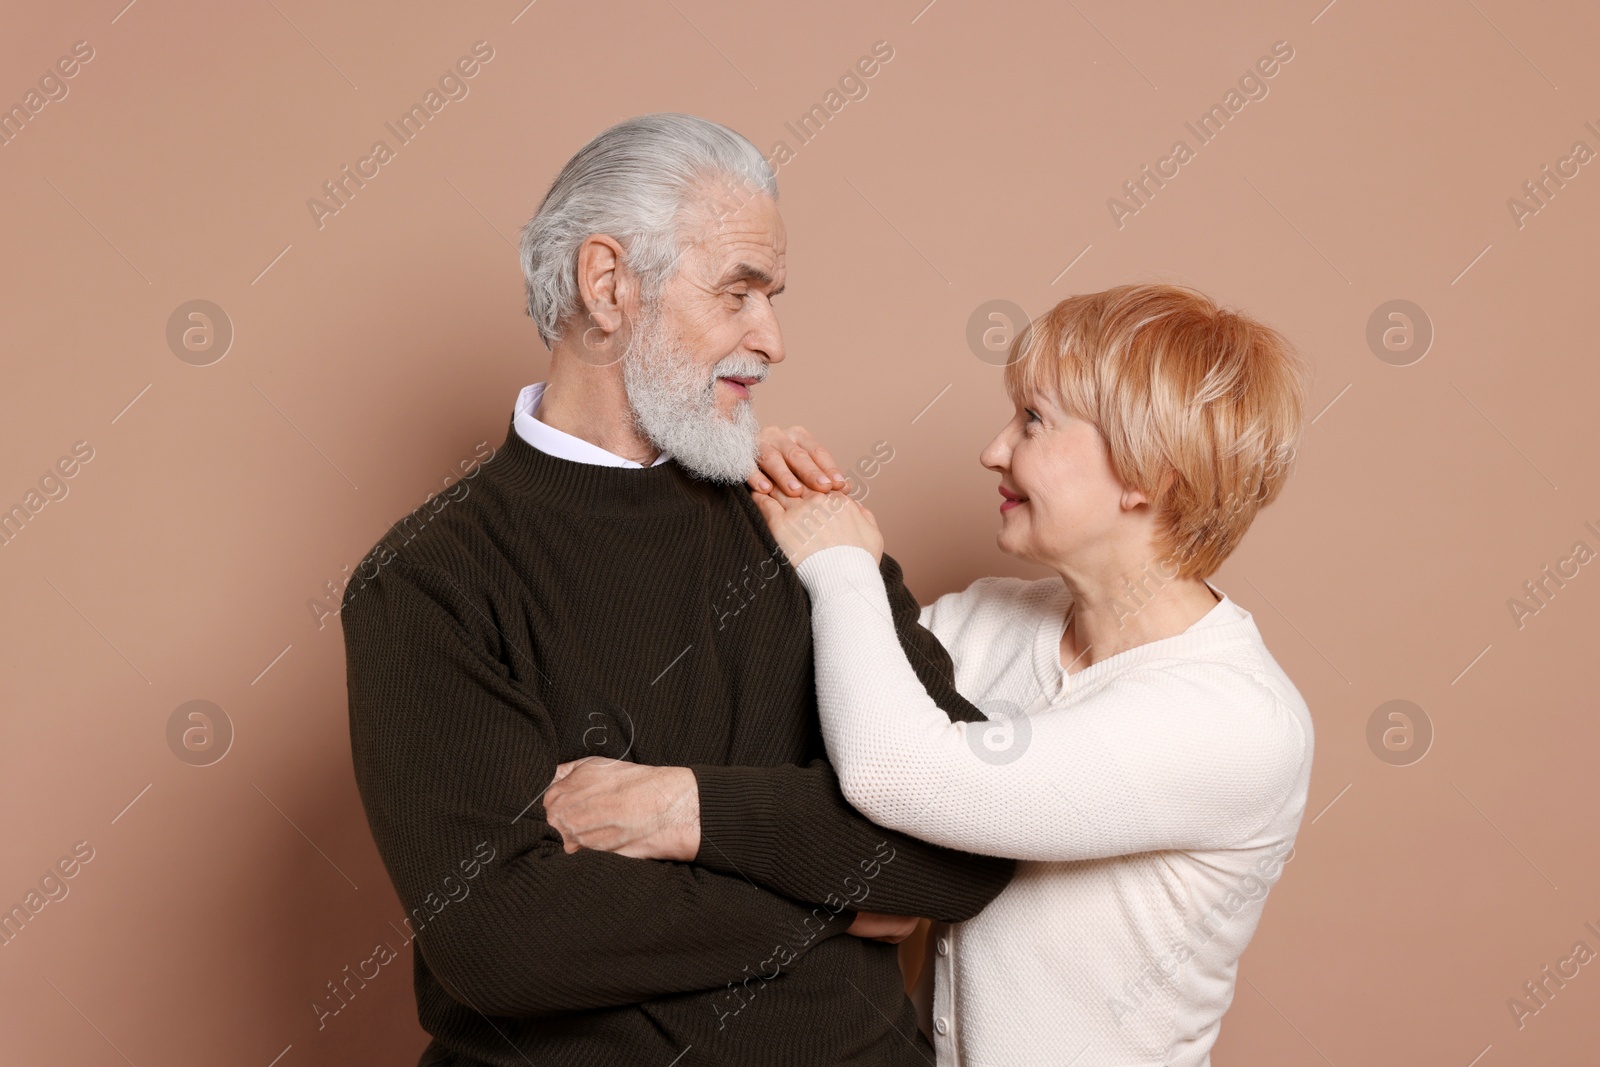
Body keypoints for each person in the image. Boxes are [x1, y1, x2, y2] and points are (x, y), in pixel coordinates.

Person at [338, 113, 1013, 1067]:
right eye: (738, 292)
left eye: (772, 297)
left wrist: (690, 813)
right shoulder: (425, 579)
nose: (771, 338)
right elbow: (501, 940)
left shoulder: (809, 528)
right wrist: (839, 890)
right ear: (608, 285)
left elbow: (968, 838)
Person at [572, 283, 1316, 1066]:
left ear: (1147, 471)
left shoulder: (1235, 720)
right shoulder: (991, 618)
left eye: (1034, 420)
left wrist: (837, 557)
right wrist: (746, 488)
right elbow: (806, 723)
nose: (994, 450)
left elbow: (896, 770)